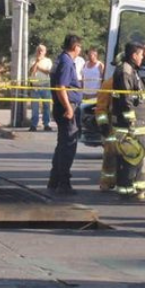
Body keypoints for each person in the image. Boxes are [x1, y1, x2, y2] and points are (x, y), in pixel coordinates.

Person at [110, 41, 145, 201]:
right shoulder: (125, 71)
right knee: (133, 156)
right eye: (141, 55)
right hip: (130, 125)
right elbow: (125, 98)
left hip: (134, 123)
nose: (142, 58)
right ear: (134, 55)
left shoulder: (131, 70)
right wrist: (132, 122)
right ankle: (130, 190)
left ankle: (128, 189)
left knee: (130, 158)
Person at [47, 34, 84, 196]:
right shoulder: (67, 62)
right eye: (80, 47)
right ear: (75, 47)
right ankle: (63, 183)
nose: (80, 50)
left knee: (62, 144)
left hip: (61, 107)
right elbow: (60, 87)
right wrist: (69, 108)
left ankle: (54, 180)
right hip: (66, 109)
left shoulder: (60, 60)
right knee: (68, 146)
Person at [28, 43, 53, 132]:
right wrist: (37, 62)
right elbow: (32, 71)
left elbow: (48, 72)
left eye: (41, 50)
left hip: (45, 85)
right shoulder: (32, 60)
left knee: (46, 106)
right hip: (35, 86)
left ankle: (46, 124)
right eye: (38, 50)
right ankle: (34, 124)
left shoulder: (48, 61)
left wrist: (40, 67)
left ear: (45, 52)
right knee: (35, 107)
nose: (39, 52)